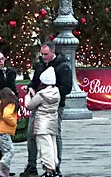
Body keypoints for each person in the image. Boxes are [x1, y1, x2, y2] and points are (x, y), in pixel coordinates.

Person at [22, 42, 72, 177]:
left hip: (55, 105)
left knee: (54, 135)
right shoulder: (39, 65)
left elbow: (67, 87)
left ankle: (55, 166)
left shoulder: (63, 67)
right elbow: (35, 82)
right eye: (42, 54)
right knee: (31, 135)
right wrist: (30, 87)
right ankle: (32, 165)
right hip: (39, 103)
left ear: (53, 52)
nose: (43, 57)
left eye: (46, 54)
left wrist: (50, 93)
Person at [26, 67, 61, 177]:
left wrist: (28, 95)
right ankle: (54, 167)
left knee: (45, 147)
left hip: (42, 124)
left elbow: (29, 106)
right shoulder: (56, 92)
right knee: (52, 146)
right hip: (52, 123)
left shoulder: (41, 94)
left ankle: (48, 170)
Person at [0, 87, 18, 177]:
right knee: (10, 151)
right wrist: (13, 123)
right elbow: (6, 115)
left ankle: (5, 172)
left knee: (6, 152)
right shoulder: (10, 104)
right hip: (3, 131)